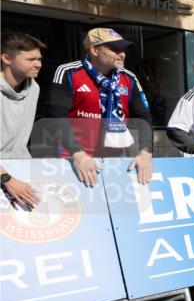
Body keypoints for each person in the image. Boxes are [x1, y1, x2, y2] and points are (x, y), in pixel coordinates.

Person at [47, 28, 153, 187]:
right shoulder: (69, 72)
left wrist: (146, 152)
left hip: (115, 156)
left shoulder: (129, 77)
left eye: (123, 49)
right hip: (74, 156)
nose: (122, 54)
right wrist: (78, 155)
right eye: (115, 49)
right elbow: (57, 117)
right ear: (94, 50)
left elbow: (144, 117)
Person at [0, 32, 45, 209]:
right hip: (7, 178)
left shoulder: (34, 88)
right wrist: (7, 179)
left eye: (40, 59)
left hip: (22, 171)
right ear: (6, 59)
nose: (38, 64)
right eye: (31, 59)